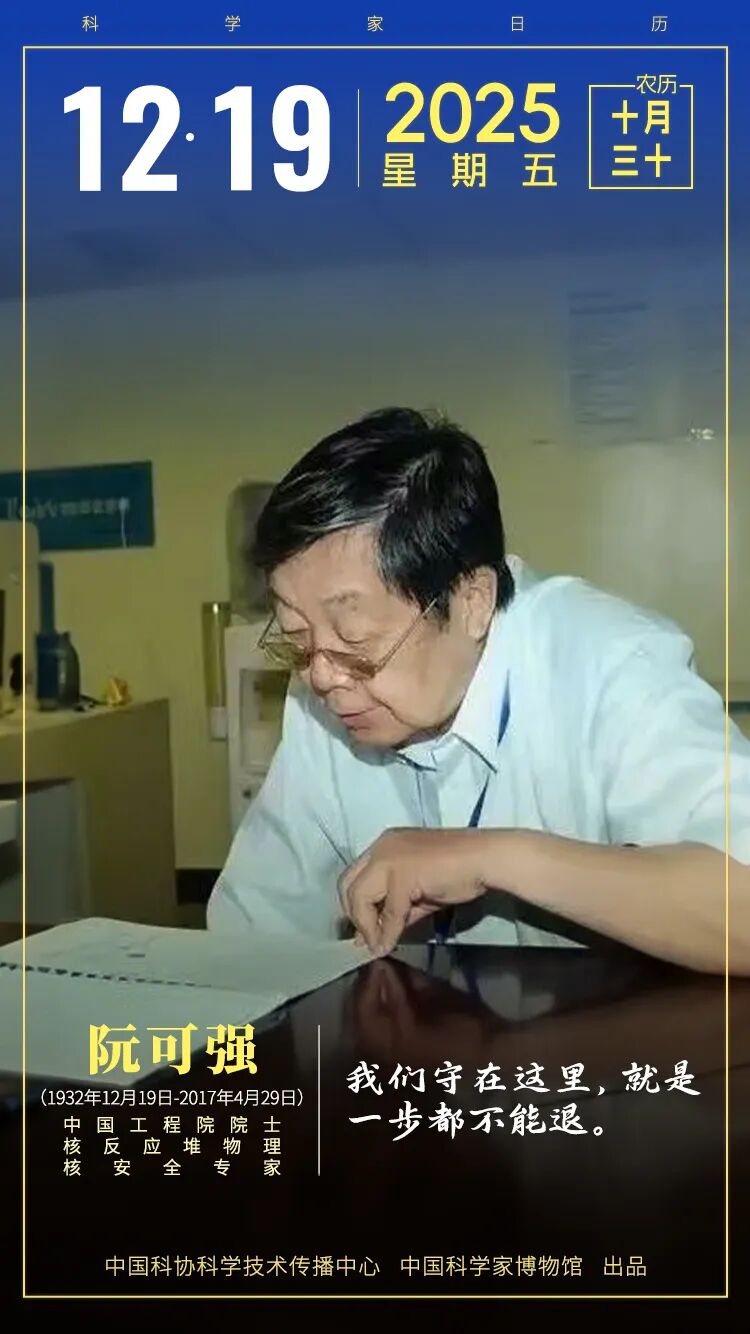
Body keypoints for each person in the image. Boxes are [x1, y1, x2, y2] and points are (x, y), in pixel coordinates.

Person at [207, 407, 750, 974]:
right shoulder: (325, 692)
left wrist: (494, 858)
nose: (322, 676)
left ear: (472, 602)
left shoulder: (611, 665)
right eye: (297, 638)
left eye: (355, 638)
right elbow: (252, 931)